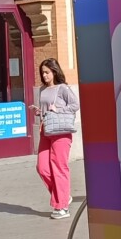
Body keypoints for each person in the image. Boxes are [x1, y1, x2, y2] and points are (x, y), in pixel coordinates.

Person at [34, 58, 80, 220]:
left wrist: (58, 109)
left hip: (61, 132)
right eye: (42, 73)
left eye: (47, 72)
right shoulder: (42, 90)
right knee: (42, 168)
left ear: (54, 71)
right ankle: (63, 196)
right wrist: (40, 111)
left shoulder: (63, 88)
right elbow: (46, 110)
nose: (44, 75)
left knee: (59, 167)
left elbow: (75, 105)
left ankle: (62, 207)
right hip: (45, 131)